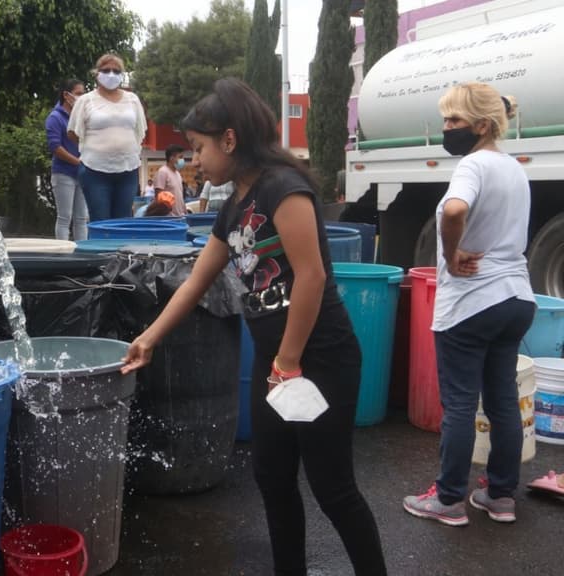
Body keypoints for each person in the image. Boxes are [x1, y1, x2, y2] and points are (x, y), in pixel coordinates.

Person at [121, 78, 387, 575]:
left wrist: (289, 362)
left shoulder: (283, 188)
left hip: (319, 358)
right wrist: (150, 338)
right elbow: (197, 282)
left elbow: (311, 276)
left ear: (229, 139)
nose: (193, 159)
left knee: (333, 489)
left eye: (199, 147)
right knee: (273, 478)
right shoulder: (234, 207)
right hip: (277, 361)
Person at [403, 83, 536, 526]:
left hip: (472, 302)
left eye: (454, 121)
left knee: (460, 404)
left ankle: (449, 499)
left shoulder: (473, 164)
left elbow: (454, 212)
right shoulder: (514, 168)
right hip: (516, 298)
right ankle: (500, 497)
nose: (446, 129)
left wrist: (453, 250)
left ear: (481, 125)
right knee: (502, 401)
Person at [67, 53, 147, 221]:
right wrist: (95, 147)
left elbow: (140, 130)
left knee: (123, 221)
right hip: (94, 170)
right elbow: (73, 132)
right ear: (97, 73)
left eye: (116, 71)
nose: (111, 74)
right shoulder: (85, 101)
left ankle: (121, 249)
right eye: (106, 70)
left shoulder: (132, 100)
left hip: (128, 169)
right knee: (100, 220)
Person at [45, 78, 88, 241]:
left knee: (81, 219)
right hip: (63, 173)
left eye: (83, 94)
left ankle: (82, 253)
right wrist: (78, 161)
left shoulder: (81, 117)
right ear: (66, 95)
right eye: (78, 94)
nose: (81, 98)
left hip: (81, 173)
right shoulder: (55, 117)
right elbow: (55, 147)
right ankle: (62, 253)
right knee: (65, 217)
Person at [154, 144, 187, 217]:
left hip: (180, 216)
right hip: (169, 217)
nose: (183, 160)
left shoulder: (178, 174)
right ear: (172, 158)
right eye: (180, 157)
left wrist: (185, 212)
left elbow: (180, 196)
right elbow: (158, 196)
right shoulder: (163, 172)